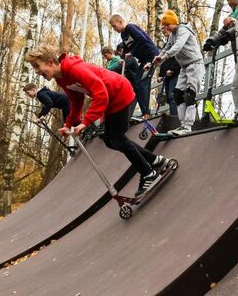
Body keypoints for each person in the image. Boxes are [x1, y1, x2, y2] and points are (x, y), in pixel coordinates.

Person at [24, 45, 172, 196]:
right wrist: (68, 124)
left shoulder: (75, 69)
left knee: (117, 138)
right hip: (110, 101)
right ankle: (156, 160)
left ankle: (149, 174)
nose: (37, 71)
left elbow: (101, 93)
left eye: (37, 66)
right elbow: (75, 102)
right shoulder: (61, 79)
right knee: (109, 140)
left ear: (50, 62)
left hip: (119, 93)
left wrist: (85, 122)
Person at [153, 10, 204, 135]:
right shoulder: (172, 35)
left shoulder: (183, 30)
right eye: (163, 26)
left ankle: (188, 125)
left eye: (167, 25)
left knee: (190, 94)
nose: (165, 28)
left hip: (195, 64)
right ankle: (182, 125)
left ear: (173, 22)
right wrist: (156, 59)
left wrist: (164, 57)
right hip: (184, 67)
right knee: (177, 94)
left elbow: (178, 46)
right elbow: (166, 48)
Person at [109, 14, 159, 120]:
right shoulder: (123, 35)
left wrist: (132, 52)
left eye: (114, 26)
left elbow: (142, 39)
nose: (114, 29)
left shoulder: (130, 28)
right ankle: (144, 111)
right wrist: (122, 58)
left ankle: (147, 113)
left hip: (151, 57)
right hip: (144, 60)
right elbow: (127, 48)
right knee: (136, 84)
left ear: (120, 22)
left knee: (142, 82)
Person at [156, 34, 181, 116]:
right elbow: (163, 62)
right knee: (169, 98)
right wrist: (161, 75)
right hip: (167, 76)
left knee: (172, 96)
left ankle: (175, 118)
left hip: (175, 75)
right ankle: (173, 116)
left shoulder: (177, 44)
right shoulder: (166, 46)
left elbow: (179, 60)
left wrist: (172, 70)